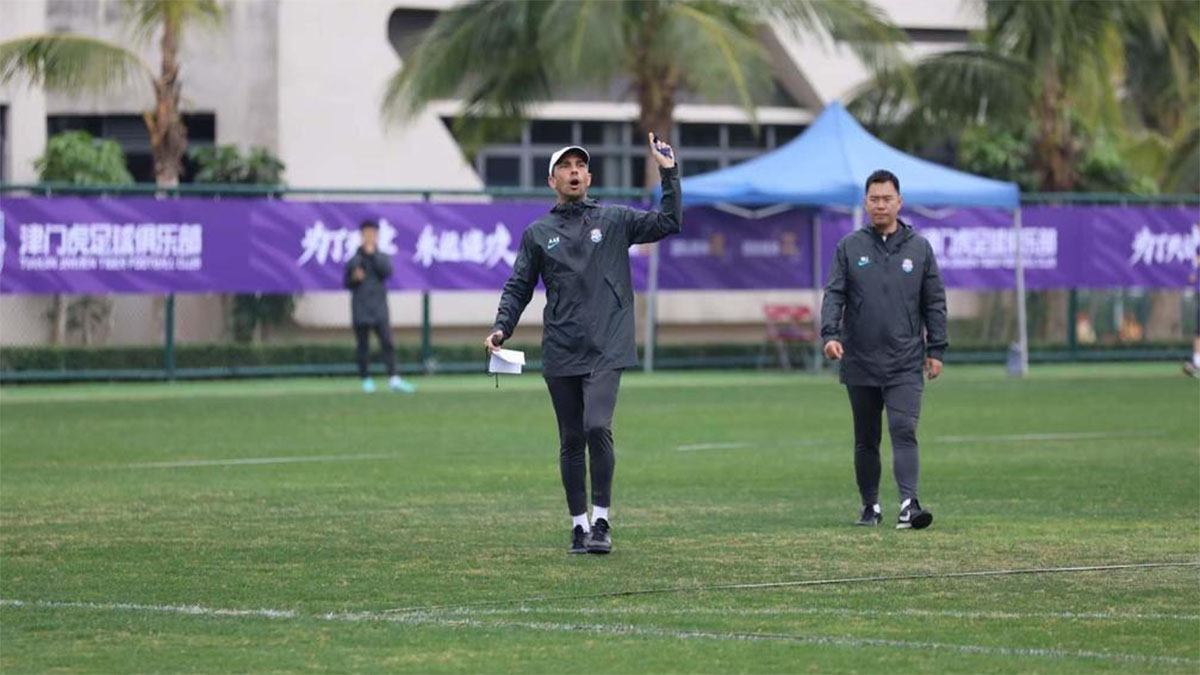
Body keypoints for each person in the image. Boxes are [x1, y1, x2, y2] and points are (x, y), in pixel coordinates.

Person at [485, 134, 681, 554]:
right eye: (566, 167)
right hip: (560, 349)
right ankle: (578, 526)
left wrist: (669, 172)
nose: (574, 172)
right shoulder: (538, 233)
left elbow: (668, 221)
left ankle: (603, 521)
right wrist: (502, 327)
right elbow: (518, 286)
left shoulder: (613, 221)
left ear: (589, 177)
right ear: (552, 179)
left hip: (608, 346)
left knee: (597, 426)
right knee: (571, 439)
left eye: (580, 166)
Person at [820, 169, 947, 530]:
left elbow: (934, 301)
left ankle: (909, 504)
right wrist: (830, 335)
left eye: (886, 198)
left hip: (905, 360)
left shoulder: (919, 248)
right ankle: (870, 507)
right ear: (865, 203)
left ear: (899, 202)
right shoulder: (850, 247)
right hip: (859, 359)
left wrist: (935, 348)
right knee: (866, 438)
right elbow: (835, 294)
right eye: (874, 199)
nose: (880, 205)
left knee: (904, 429)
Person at [344, 220, 415, 394]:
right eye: (366, 233)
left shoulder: (381, 256)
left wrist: (373, 255)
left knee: (387, 343)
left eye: (373, 233)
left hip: (379, 307)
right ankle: (366, 379)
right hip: (361, 307)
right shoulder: (354, 259)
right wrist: (355, 278)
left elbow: (387, 272)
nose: (369, 236)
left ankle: (394, 378)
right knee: (363, 345)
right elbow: (347, 282)